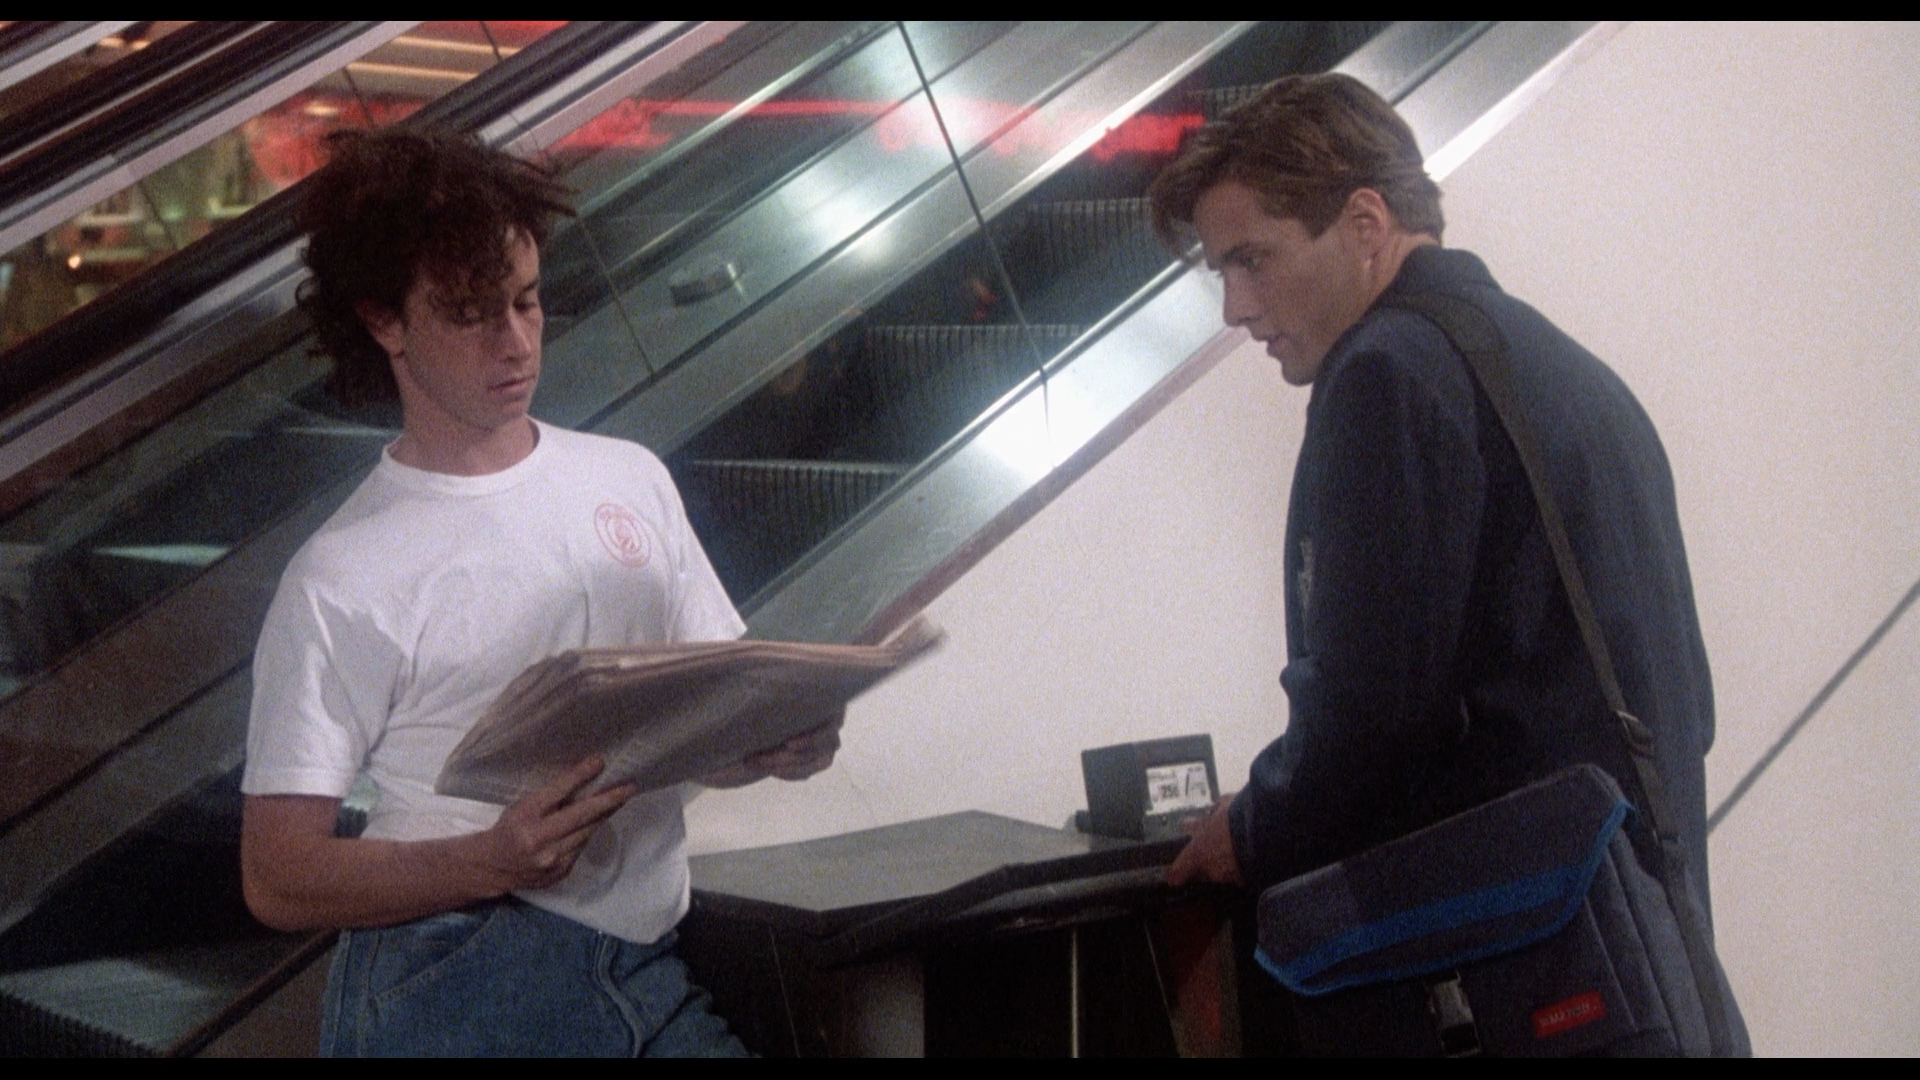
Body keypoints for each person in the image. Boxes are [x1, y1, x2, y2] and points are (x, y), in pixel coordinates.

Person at [239, 129, 840, 1057]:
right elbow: (277, 877)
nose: (516, 342)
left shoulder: (627, 477)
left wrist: (773, 742)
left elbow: (695, 729)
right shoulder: (341, 574)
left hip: (638, 956)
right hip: (455, 969)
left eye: (527, 301)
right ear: (386, 322)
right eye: (472, 315)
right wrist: (485, 861)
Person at [1150, 72, 1735, 1012]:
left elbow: (1375, 709)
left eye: (1251, 260)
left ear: (1366, 223)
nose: (1236, 307)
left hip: (1519, 975)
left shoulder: (1387, 373)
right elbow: (1687, 699)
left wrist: (1255, 826)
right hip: (1643, 959)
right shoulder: (1561, 366)